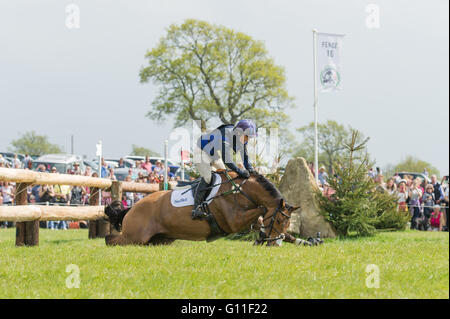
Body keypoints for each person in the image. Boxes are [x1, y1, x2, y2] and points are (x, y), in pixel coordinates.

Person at [191, 119, 257, 220]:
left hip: (213, 154)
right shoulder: (226, 135)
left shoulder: (240, 138)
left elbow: (245, 157)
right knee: (208, 178)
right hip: (201, 151)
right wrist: (240, 171)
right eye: (247, 137)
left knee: (226, 176)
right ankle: (196, 209)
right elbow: (228, 161)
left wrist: (251, 170)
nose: (248, 140)